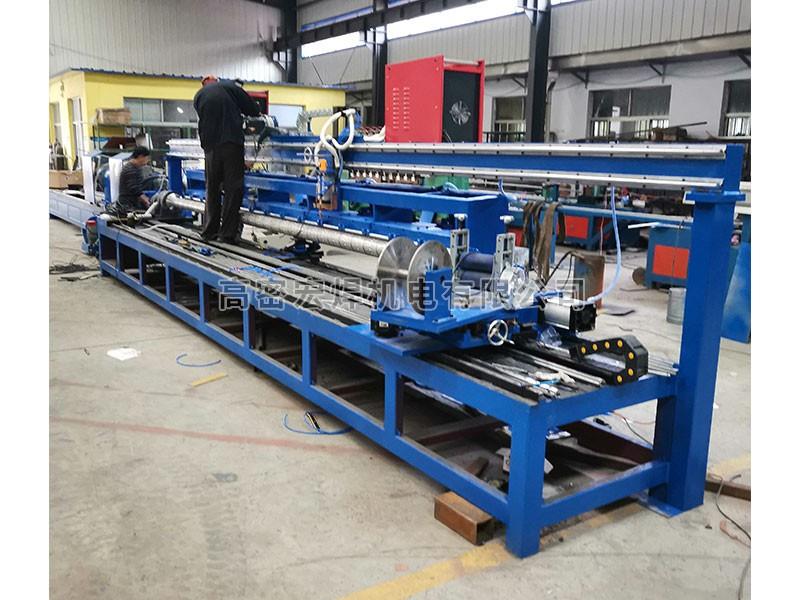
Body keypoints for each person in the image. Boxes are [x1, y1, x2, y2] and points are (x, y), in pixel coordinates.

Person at [193, 74, 261, 243]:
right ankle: (227, 234)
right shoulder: (230, 86)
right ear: (216, 81)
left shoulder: (198, 96)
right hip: (231, 143)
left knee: (212, 187)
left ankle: (209, 231)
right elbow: (253, 110)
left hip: (210, 147)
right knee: (232, 188)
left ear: (203, 84)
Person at [114, 146, 152, 213]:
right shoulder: (130, 169)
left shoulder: (136, 167)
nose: (148, 161)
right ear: (140, 157)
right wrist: (146, 200)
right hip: (127, 205)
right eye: (147, 158)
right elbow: (135, 189)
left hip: (132, 202)